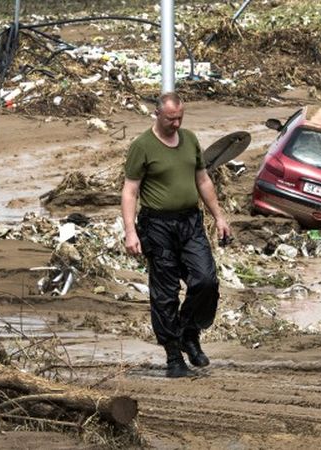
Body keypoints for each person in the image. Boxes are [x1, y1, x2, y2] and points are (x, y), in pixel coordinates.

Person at [121, 92, 232, 378]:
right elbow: (130, 190)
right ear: (157, 114)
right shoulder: (142, 146)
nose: (176, 123)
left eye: (180, 117)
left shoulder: (190, 139)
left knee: (206, 280)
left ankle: (189, 333)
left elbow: (203, 179)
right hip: (157, 226)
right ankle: (173, 356)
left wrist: (219, 216)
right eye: (171, 119)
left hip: (190, 223)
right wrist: (130, 232)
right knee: (165, 294)